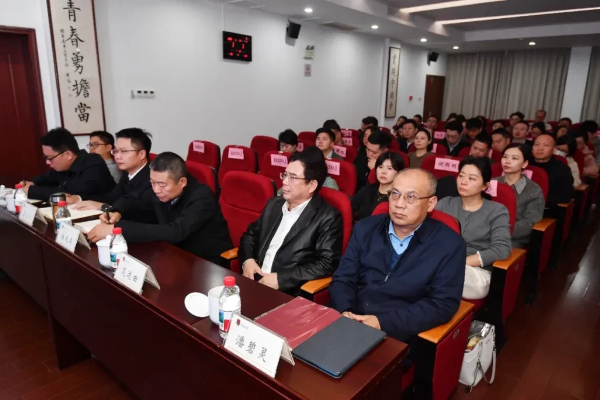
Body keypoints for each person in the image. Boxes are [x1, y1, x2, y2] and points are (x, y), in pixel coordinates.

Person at [329, 169, 466, 345]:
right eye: (395, 194)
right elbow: (343, 277)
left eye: (411, 197)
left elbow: (442, 304)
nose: (399, 204)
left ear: (431, 203)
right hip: (349, 321)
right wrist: (345, 310)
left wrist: (382, 323)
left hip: (400, 334)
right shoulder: (365, 228)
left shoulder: (450, 244)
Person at [88, 152, 233, 266]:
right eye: (152, 183)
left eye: (162, 185)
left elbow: (176, 231)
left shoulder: (202, 197)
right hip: (172, 254)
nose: (156, 190)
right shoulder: (159, 187)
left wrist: (118, 228)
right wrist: (116, 212)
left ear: (182, 182)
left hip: (206, 261)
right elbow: (131, 200)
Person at [239, 148, 343, 294]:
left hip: (287, 292)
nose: (285, 182)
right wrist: (248, 260)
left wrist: (281, 279)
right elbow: (250, 235)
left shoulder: (328, 217)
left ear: (312, 185)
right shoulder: (274, 205)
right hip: (254, 282)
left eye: (293, 177)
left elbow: (326, 264)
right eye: (285, 175)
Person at [436, 156, 512, 299]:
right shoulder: (445, 204)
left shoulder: (497, 211)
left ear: (485, 186)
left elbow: (502, 249)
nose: (463, 182)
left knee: (442, 274)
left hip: (475, 272)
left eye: (472, 178)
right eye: (461, 176)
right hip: (441, 262)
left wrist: (459, 262)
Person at [70, 128, 155, 223]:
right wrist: (79, 198)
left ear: (142, 154)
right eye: (116, 151)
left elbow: (137, 213)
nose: (117, 156)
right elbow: (111, 197)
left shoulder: (153, 179)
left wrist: (102, 206)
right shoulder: (128, 174)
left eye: (124, 151)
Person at [22, 128, 116, 201]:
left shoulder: (93, 164)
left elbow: (69, 192)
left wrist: (31, 191)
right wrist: (31, 183)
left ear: (68, 155)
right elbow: (45, 178)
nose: (47, 162)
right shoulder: (65, 166)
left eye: (50, 158)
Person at [494, 144, 545, 248]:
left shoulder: (533, 190)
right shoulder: (492, 183)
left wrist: (500, 232)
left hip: (512, 238)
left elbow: (530, 222)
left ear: (524, 164)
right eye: (505, 157)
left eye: (514, 158)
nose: (507, 161)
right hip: (483, 233)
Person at [351, 152, 404, 221]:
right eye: (380, 167)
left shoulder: (398, 199)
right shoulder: (367, 190)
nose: (383, 172)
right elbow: (350, 207)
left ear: (399, 172)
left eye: (389, 168)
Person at [529, 133, 574, 207]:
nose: (540, 148)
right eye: (537, 144)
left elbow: (566, 196)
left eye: (546, 145)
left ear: (553, 150)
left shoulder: (562, 169)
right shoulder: (523, 164)